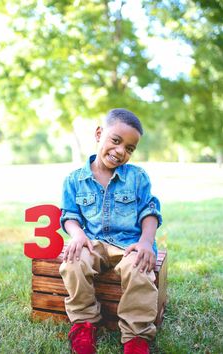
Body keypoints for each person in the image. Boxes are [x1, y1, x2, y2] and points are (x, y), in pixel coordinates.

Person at [59, 108, 162, 354]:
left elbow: (149, 212)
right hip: (92, 242)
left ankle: (136, 336)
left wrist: (146, 242)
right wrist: (78, 235)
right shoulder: (75, 180)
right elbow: (69, 216)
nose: (120, 151)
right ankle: (84, 323)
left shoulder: (137, 177)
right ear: (99, 133)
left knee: (140, 269)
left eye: (129, 148)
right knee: (73, 262)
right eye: (116, 140)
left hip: (129, 244)